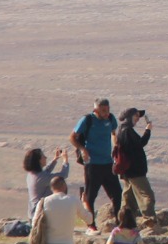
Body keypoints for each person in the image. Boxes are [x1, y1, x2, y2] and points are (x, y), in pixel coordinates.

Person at [25, 175, 92, 244]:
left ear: (52, 188)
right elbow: (89, 220)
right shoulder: (74, 201)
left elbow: (34, 223)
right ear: (64, 186)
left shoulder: (44, 202)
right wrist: (85, 203)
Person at [69, 97, 120, 235]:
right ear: (96, 109)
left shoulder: (111, 119)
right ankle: (91, 226)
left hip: (108, 163)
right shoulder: (87, 120)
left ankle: (120, 224)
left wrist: (116, 146)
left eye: (108, 110)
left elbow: (114, 132)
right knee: (90, 196)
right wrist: (83, 149)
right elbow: (72, 137)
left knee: (117, 194)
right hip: (93, 164)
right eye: (103, 110)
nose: (106, 113)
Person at [113, 107, 156, 221]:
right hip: (135, 171)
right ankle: (149, 221)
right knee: (147, 196)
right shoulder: (127, 130)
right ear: (129, 117)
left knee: (129, 199)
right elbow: (139, 144)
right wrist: (148, 131)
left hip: (128, 171)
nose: (137, 119)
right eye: (136, 116)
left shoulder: (123, 130)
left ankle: (125, 222)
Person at [23, 146, 71, 220]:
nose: (46, 157)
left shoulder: (32, 174)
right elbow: (63, 175)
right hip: (40, 215)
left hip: (34, 213)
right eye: (43, 156)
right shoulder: (41, 178)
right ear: (38, 160)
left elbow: (46, 171)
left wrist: (55, 159)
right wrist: (65, 160)